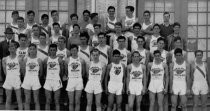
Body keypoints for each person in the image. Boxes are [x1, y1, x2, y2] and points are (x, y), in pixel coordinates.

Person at [2, 41, 23, 110]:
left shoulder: (19, 58)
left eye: (13, 46)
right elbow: (5, 71)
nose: (12, 48)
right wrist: (9, 77)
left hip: (17, 79)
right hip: (8, 80)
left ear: (16, 48)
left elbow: (21, 70)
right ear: (8, 49)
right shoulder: (4, 59)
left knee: (19, 99)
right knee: (8, 99)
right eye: (10, 46)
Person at [64, 44, 86, 111]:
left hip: (79, 80)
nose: (74, 51)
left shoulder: (81, 60)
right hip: (70, 80)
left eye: (75, 50)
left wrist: (78, 77)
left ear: (77, 50)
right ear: (70, 51)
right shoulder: (67, 60)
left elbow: (83, 73)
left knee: (77, 102)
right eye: (72, 50)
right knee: (71, 102)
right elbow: (66, 71)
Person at [21, 43, 42, 110]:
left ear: (36, 50)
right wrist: (27, 77)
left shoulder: (39, 60)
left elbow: (41, 72)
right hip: (27, 80)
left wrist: (37, 78)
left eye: (33, 49)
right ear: (28, 50)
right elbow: (23, 71)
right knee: (27, 100)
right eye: (30, 49)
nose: (32, 50)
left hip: (36, 80)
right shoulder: (25, 60)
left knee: (36, 100)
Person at [43, 44, 64, 110]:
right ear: (49, 50)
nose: (52, 51)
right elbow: (44, 70)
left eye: (54, 50)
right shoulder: (46, 59)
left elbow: (62, 71)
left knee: (56, 101)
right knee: (48, 100)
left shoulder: (59, 60)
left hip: (57, 81)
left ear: (56, 50)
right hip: (48, 81)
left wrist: (58, 78)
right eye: (51, 50)